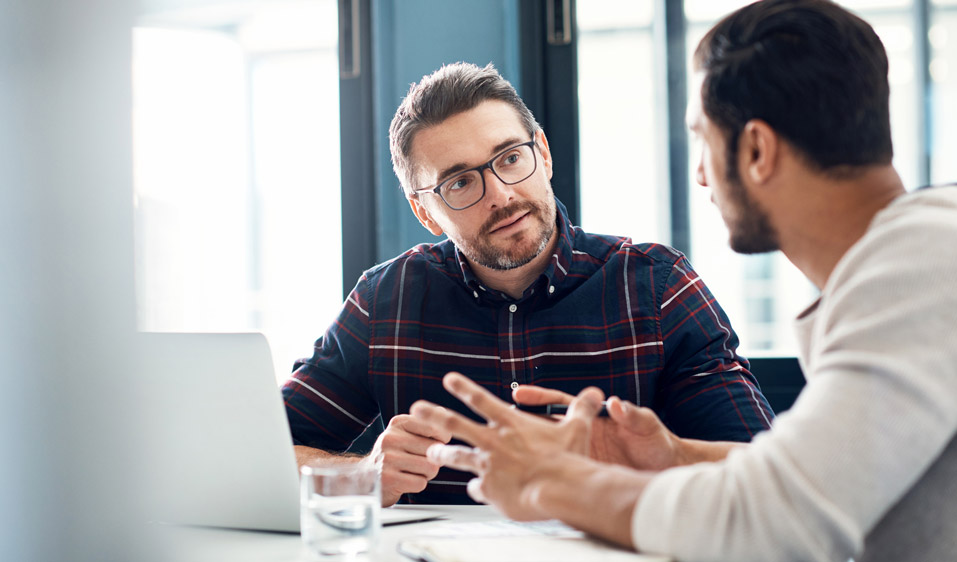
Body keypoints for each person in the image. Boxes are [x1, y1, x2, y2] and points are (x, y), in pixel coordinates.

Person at [410, 1, 957, 560]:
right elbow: (815, 477)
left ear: (757, 151)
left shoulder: (927, 268)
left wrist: (556, 485)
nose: (698, 175)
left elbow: (780, 521)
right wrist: (670, 455)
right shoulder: (924, 257)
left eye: (701, 138)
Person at [281, 62, 774, 506]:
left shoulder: (658, 287)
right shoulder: (383, 302)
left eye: (511, 157)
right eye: (460, 183)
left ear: (543, 153)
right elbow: (262, 455)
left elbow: (764, 475)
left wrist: (658, 458)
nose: (500, 193)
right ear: (424, 212)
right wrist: (361, 475)